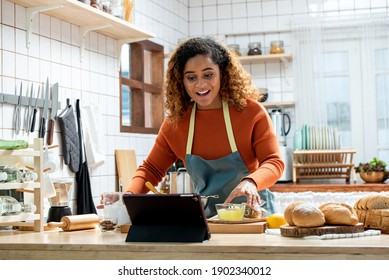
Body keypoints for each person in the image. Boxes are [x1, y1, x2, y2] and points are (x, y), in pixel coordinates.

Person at [125, 36, 284, 217]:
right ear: (181, 81)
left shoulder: (251, 112)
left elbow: (273, 162)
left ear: (222, 73)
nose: (200, 84)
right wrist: (128, 196)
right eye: (191, 77)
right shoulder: (176, 123)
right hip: (209, 221)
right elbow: (151, 170)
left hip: (255, 217)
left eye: (208, 75)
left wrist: (251, 182)